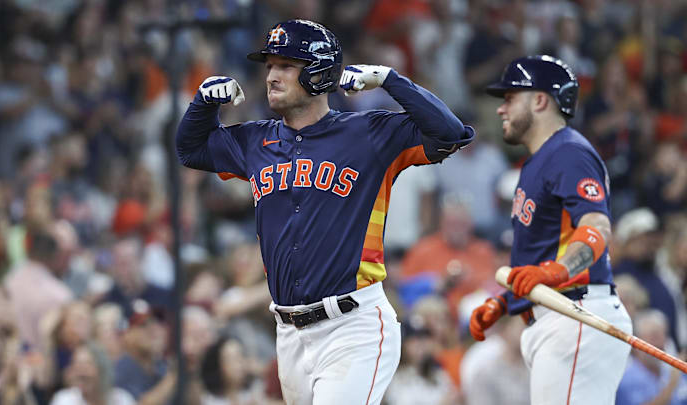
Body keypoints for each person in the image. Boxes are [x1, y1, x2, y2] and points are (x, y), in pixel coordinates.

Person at [176, 18, 474, 405]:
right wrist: (202, 104)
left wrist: (390, 80)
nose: (271, 76)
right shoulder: (254, 140)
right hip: (289, 332)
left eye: (285, 65)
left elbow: (451, 133)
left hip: (354, 325)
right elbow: (191, 150)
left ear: (318, 72)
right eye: (269, 66)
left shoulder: (369, 133)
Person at [468, 55, 632, 404]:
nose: (501, 109)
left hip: (575, 315)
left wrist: (557, 272)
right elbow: (542, 252)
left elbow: (597, 224)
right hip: (556, 318)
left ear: (540, 99)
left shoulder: (568, 152)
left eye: (510, 97)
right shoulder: (539, 160)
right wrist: (507, 299)